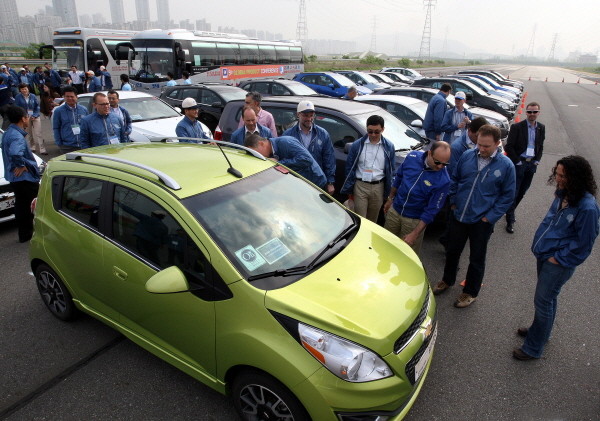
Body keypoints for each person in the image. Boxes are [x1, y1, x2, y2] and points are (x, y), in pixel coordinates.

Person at [513, 156, 599, 361]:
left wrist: (559, 259)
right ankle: (541, 332)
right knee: (548, 298)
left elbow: (585, 243)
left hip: (558, 262)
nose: (558, 179)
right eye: (557, 174)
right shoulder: (565, 193)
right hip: (545, 254)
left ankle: (533, 348)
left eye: (563, 176)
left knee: (543, 301)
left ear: (576, 177)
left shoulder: (587, 207)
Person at [433, 124, 515, 308]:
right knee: (452, 250)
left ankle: (470, 292)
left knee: (477, 258)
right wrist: (453, 201)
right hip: (459, 214)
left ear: (497, 143)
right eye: (479, 144)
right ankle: (447, 280)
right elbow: (454, 178)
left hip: (482, 221)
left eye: (487, 146)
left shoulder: (506, 166)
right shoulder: (467, 156)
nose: (482, 149)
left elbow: (508, 196)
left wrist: (489, 217)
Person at [383, 141, 451, 253]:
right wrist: (390, 199)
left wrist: (414, 234)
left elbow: (432, 210)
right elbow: (399, 177)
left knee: (405, 256)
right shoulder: (412, 157)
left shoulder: (444, 181)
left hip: (413, 221)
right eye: (437, 162)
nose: (440, 166)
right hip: (395, 211)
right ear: (429, 153)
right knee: (385, 247)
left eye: (445, 164)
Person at [341, 114, 396, 222]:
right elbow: (349, 168)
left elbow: (391, 170)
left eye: (377, 131)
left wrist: (389, 194)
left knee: (372, 220)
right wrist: (349, 190)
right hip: (360, 185)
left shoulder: (389, 146)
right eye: (370, 131)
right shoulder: (357, 145)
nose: (373, 134)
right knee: (360, 219)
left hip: (378, 187)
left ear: (383, 130)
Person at [504, 101, 546, 234]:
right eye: (529, 112)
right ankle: (510, 219)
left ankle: (510, 211)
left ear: (538, 113)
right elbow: (509, 146)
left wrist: (537, 161)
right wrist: (517, 162)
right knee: (514, 191)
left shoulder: (541, 127)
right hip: (520, 163)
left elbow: (540, 145)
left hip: (531, 164)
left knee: (522, 192)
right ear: (526, 112)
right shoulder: (517, 127)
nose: (532, 114)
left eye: (535, 112)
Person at [0, 105, 40, 242]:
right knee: (31, 205)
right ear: (23, 119)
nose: (28, 118)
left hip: (15, 179)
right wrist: (22, 165)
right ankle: (30, 233)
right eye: (27, 116)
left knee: (21, 205)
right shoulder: (17, 136)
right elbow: (15, 153)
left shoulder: (8, 132)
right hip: (24, 178)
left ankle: (24, 234)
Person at [282, 100, 336, 195]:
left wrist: (330, 182)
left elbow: (329, 159)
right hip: (296, 181)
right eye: (305, 116)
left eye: (311, 115)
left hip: (317, 181)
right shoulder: (288, 135)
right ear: (298, 115)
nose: (309, 118)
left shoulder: (322, 134)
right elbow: (284, 159)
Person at [244, 133, 327, 189]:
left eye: (255, 152)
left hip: (316, 183)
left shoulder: (286, 142)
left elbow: (306, 159)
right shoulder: (272, 153)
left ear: (261, 144)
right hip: (303, 185)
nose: (257, 155)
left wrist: (279, 163)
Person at [52, 86, 89, 153]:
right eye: (67, 96)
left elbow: (88, 126)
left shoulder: (83, 109)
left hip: (83, 145)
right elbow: (56, 128)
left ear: (76, 97)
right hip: (67, 146)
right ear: (64, 97)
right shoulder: (58, 111)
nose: (69, 98)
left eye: (72, 96)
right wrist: (59, 144)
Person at [14, 84, 45, 155]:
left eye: (25, 89)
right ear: (20, 90)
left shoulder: (33, 96)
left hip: (35, 116)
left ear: (28, 89)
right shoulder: (18, 97)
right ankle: (32, 147)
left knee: (38, 132)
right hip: (25, 117)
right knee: (29, 133)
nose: (24, 90)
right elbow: (17, 108)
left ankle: (42, 148)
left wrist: (35, 115)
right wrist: (24, 116)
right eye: (22, 89)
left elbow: (37, 106)